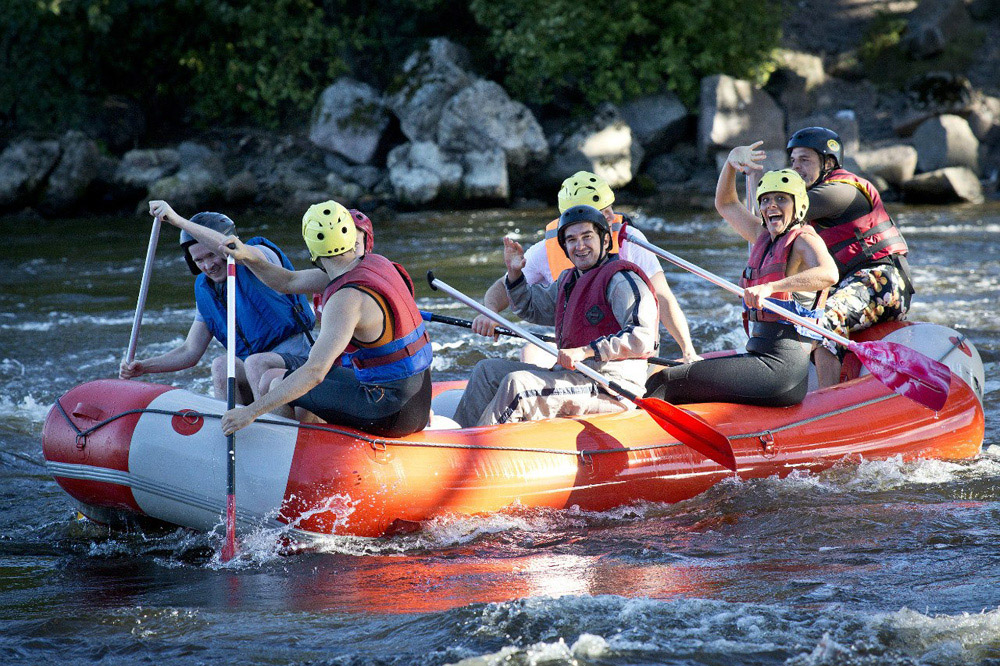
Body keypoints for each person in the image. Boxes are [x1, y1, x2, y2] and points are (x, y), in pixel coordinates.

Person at [645, 143, 838, 407]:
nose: (772, 205)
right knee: (660, 377)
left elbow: (829, 273)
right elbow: (725, 203)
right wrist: (730, 164)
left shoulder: (803, 239)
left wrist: (771, 287)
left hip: (781, 371)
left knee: (668, 381)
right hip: (758, 357)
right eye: (766, 200)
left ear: (799, 206)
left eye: (782, 199)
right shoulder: (763, 236)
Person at [220, 200, 433, 437]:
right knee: (272, 377)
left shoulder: (346, 299)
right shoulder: (373, 264)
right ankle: (305, 440)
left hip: (391, 408)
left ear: (312, 248)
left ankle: (287, 454)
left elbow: (315, 371)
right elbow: (287, 282)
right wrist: (247, 255)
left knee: (278, 385)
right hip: (416, 397)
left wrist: (250, 412)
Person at [453, 204, 659, 428]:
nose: (579, 246)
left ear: (605, 240)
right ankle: (455, 443)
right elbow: (532, 307)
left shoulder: (622, 280)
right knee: (486, 371)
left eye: (587, 237)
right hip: (573, 377)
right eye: (571, 240)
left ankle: (476, 451)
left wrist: (586, 351)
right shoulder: (568, 281)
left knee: (518, 385)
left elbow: (643, 338)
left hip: (611, 386)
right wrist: (514, 275)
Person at [470, 171, 700, 364]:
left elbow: (663, 297)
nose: (612, 217)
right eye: (602, 212)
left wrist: (687, 350)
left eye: (610, 209)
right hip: (572, 346)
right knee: (530, 353)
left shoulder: (632, 241)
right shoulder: (544, 250)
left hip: (625, 350)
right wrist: (488, 312)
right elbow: (505, 287)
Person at [119, 201, 315, 404]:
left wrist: (178, 221)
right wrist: (144, 367)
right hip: (255, 368)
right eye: (199, 260)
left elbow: (236, 251)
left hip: (299, 361)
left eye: (211, 255)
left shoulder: (258, 257)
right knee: (222, 365)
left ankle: (270, 427)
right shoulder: (207, 290)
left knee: (256, 363)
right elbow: (189, 351)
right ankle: (232, 426)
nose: (208, 266)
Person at [786, 126, 914, 387]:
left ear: (828, 162)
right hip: (848, 286)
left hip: (882, 282)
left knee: (821, 320)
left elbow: (778, 210)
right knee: (789, 318)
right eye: (793, 161)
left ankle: (827, 399)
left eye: (805, 160)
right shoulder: (807, 198)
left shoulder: (840, 192)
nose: (795, 167)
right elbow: (766, 225)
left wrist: (759, 185)